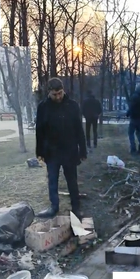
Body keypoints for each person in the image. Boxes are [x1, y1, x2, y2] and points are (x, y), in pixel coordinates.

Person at [33, 77, 87, 220]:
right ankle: (54, 207)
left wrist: (83, 150)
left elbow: (79, 129)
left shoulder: (73, 105)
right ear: (49, 93)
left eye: (60, 93)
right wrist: (39, 152)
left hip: (70, 150)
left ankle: (76, 208)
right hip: (51, 152)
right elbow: (39, 131)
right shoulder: (43, 107)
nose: (58, 97)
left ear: (63, 90)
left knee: (72, 181)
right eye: (54, 94)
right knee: (52, 181)